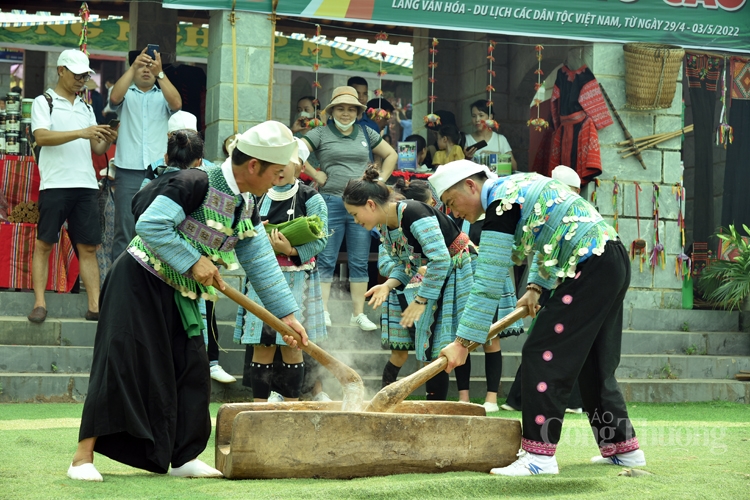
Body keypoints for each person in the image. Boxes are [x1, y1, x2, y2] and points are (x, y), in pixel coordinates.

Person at [67, 121, 307, 482]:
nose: (278, 180)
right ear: (254, 166)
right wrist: (194, 261)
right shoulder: (196, 181)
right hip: (139, 280)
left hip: (183, 293)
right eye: (276, 172)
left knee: (192, 368)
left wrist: (287, 316)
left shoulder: (246, 204)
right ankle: (82, 458)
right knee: (120, 362)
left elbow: (260, 262)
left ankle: (183, 457)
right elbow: (150, 226)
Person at [431, 160, 644, 476]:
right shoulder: (519, 186)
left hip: (590, 266)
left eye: (451, 202)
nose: (454, 213)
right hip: (610, 259)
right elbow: (549, 235)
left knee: (541, 354)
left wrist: (462, 343)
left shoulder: (501, 205)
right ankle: (623, 451)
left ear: (471, 186)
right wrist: (535, 287)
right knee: (593, 362)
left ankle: (538, 457)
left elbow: (487, 285)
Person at [346, 168, 474, 400]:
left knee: (439, 343)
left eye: (355, 214)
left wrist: (421, 299)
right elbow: (407, 265)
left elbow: (440, 258)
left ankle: (437, 407)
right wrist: (388, 286)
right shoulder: (385, 226)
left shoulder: (413, 212)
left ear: (371, 205)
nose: (355, 221)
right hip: (439, 274)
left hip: (457, 269)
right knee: (429, 345)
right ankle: (434, 406)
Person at [142, 110, 236, 385]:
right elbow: (146, 214)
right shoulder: (156, 167)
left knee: (204, 308)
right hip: (162, 254)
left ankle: (211, 360)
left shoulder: (211, 172)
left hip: (199, 255)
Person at [235, 139, 329, 402]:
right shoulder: (257, 195)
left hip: (297, 277)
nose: (279, 169)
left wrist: (290, 250)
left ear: (299, 165)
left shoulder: (312, 198)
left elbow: (321, 238)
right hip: (261, 279)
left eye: (286, 162)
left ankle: (291, 406)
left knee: (293, 345)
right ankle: (259, 406)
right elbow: (242, 231)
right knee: (262, 345)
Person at [28, 49, 117, 324]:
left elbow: (96, 146)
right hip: (55, 184)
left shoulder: (87, 106)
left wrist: (109, 135)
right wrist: (83, 132)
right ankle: (40, 303)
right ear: (61, 70)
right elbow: (41, 137)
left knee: (88, 247)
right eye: (77, 74)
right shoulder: (44, 102)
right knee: (44, 243)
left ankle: (95, 306)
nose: (81, 80)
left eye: (85, 75)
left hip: (86, 185)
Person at [301, 86, 397, 331]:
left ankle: (358, 314)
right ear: (332, 111)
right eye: (340, 108)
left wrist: (380, 180)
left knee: (359, 259)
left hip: (362, 206)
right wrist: (314, 173)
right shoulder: (321, 133)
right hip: (330, 202)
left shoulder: (366, 132)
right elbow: (296, 151)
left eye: (351, 109)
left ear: (358, 111)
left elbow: (391, 155)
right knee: (325, 259)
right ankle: (322, 312)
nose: (345, 113)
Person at [501, 164, 583, 414]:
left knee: (570, 343)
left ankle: (574, 401)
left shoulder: (580, 215)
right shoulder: (548, 209)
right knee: (538, 340)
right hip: (548, 285)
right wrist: (535, 288)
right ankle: (519, 398)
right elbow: (541, 253)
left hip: (575, 287)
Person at [109, 46, 182, 262]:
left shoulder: (163, 96)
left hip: (158, 172)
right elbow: (114, 98)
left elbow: (177, 103)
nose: (146, 70)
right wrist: (133, 67)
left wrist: (161, 73)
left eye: (151, 67)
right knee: (123, 230)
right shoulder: (126, 94)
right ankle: (118, 287)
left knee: (155, 229)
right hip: (128, 170)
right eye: (142, 66)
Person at [449, 205, 524, 413]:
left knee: (492, 340)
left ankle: (491, 398)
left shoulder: (498, 216)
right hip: (465, 280)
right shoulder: (457, 219)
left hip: (493, 281)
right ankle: (463, 397)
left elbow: (512, 249)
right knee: (462, 339)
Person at [464, 100, 517, 172]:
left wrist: (495, 155)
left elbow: (514, 168)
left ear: (490, 117)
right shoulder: (466, 139)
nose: (477, 120)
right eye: (474, 116)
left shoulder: (500, 139)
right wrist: (466, 158)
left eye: (481, 115)